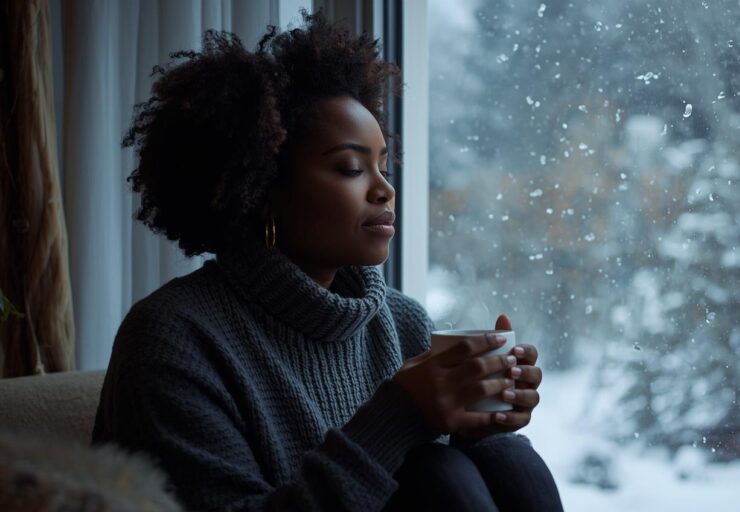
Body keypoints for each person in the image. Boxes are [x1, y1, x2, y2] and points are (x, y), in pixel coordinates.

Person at [91, 11, 563, 512]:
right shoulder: (174, 339)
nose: (385, 190)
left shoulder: (400, 322)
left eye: (384, 166)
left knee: (508, 460)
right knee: (434, 472)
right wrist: (400, 414)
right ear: (263, 186)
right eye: (351, 168)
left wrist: (481, 418)